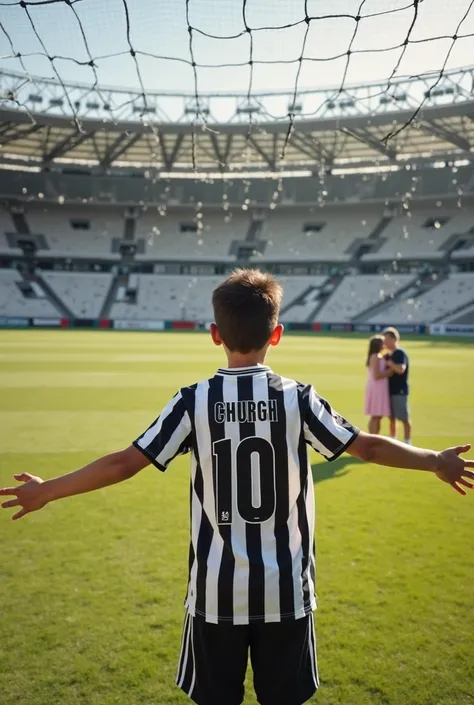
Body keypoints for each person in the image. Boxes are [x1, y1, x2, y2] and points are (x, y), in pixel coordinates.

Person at [1, 269, 473, 705]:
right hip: (287, 593)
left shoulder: (194, 401)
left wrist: (47, 490)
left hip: (213, 593)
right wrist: (434, 460)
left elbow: (125, 463)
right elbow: (367, 448)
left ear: (214, 335)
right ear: (277, 335)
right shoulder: (298, 399)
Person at [383, 326, 411, 444]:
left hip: (399, 390)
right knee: (391, 417)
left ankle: (407, 441)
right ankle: (393, 439)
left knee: (404, 418)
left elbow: (401, 369)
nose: (385, 342)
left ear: (394, 339)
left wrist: (390, 364)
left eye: (387, 339)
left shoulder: (399, 353)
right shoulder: (388, 354)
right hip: (389, 389)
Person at [364, 335, 392, 435]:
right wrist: (389, 372)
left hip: (378, 387)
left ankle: (375, 435)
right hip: (377, 387)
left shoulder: (376, 356)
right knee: (376, 415)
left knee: (377, 415)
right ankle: (373, 435)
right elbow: (376, 375)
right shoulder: (376, 357)